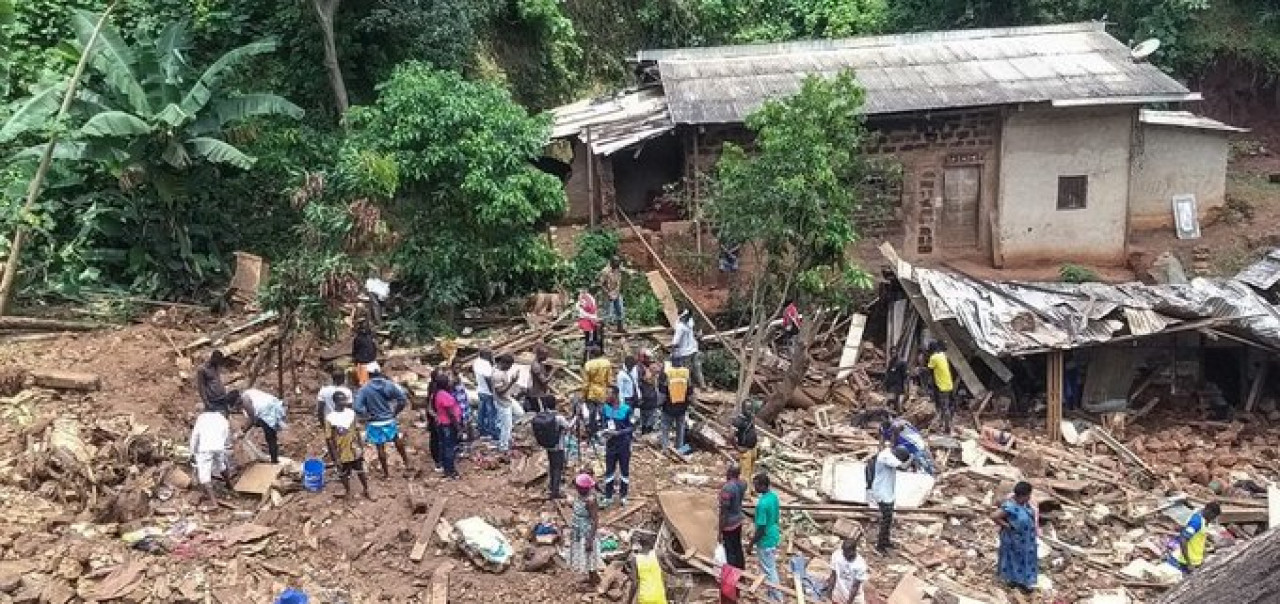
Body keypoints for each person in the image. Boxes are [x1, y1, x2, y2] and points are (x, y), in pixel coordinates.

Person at [354, 363, 412, 477]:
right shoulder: (389, 385)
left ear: (369, 374)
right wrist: (395, 412)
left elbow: (357, 407)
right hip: (388, 419)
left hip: (375, 422)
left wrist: (366, 415)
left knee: (380, 446)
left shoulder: (365, 389)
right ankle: (407, 462)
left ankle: (386, 474)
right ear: (379, 372)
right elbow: (402, 399)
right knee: (396, 439)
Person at [993, 481, 1038, 592]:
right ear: (1023, 495)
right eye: (1028, 495)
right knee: (1014, 560)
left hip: (1026, 539)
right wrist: (1007, 526)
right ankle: (1015, 582)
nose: (1029, 497)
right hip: (1014, 539)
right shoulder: (1010, 506)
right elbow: (994, 516)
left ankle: (1023, 582)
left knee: (1026, 560)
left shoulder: (1025, 504)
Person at [325, 390, 370, 499]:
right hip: (341, 450)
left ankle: (366, 489)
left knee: (360, 470)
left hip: (354, 448)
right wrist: (334, 456)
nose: (345, 401)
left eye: (345, 399)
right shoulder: (330, 418)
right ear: (335, 401)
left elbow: (357, 430)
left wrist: (361, 446)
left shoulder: (351, 413)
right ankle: (348, 491)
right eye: (342, 399)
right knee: (343, 472)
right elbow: (329, 439)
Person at [747, 473, 782, 602]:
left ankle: (777, 598)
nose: (754, 488)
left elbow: (761, 528)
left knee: (769, 570)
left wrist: (751, 544)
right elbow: (775, 517)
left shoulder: (762, 504)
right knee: (770, 567)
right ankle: (772, 595)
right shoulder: (773, 497)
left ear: (762, 485)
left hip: (765, 540)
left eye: (756, 485)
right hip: (773, 535)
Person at [189, 403, 233, 506]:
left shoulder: (201, 418)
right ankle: (229, 485)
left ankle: (214, 502)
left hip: (205, 448)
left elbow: (195, 436)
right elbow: (226, 434)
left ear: (199, 411)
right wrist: (224, 445)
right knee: (221, 465)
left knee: (204, 476)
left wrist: (192, 452)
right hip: (218, 446)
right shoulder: (221, 418)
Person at [870, 445, 911, 554]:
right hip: (882, 492)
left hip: (887, 491)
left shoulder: (889, 452)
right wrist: (912, 457)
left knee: (889, 518)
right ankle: (880, 545)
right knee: (886, 519)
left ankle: (885, 540)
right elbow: (904, 467)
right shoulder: (886, 457)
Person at [532, 396, 575, 499]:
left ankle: (552, 486)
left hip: (548, 446)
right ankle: (555, 491)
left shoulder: (542, 416)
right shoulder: (558, 417)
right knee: (558, 468)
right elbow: (568, 427)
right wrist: (575, 418)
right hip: (558, 446)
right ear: (555, 404)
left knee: (552, 466)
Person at [600, 386, 635, 507]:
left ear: (615, 395)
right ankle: (608, 496)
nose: (606, 396)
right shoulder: (605, 408)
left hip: (624, 445)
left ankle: (623, 495)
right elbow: (603, 423)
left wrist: (619, 433)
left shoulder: (626, 409)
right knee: (609, 470)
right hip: (610, 444)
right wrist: (604, 431)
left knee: (624, 470)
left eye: (609, 394)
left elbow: (631, 427)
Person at [569, 472, 603, 589]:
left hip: (587, 533)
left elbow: (595, 520)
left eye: (579, 487)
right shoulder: (580, 496)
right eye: (577, 487)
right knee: (585, 556)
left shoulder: (590, 500)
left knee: (589, 557)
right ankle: (591, 577)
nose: (577, 489)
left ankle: (594, 582)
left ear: (585, 489)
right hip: (578, 531)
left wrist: (590, 540)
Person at [1170, 501, 1221, 575]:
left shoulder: (1204, 522)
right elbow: (1183, 540)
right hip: (1185, 563)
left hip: (1196, 561)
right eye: (1213, 517)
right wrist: (1188, 563)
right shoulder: (1196, 522)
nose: (1213, 520)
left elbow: (1197, 538)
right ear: (1208, 511)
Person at [238, 388, 286, 464]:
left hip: (268, 411)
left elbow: (252, 419)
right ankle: (274, 457)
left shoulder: (245, 402)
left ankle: (274, 461)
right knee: (269, 435)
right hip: (269, 405)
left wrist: (243, 431)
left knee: (270, 437)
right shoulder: (246, 394)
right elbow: (252, 418)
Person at [718, 464, 749, 571]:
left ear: (730, 473)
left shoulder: (727, 489)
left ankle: (732, 575)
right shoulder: (743, 484)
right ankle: (741, 570)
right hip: (738, 520)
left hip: (729, 524)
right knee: (738, 546)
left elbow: (724, 511)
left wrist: (720, 529)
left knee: (730, 550)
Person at [659, 356, 693, 454]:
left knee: (665, 427)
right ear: (681, 362)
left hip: (669, 406)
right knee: (680, 428)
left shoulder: (667, 373)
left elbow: (663, 392)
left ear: (672, 363)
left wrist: (659, 404)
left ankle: (665, 449)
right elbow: (690, 390)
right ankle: (679, 449)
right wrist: (690, 403)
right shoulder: (686, 373)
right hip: (682, 406)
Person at [432, 372, 463, 479]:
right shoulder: (445, 396)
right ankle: (451, 471)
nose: (450, 382)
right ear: (445, 384)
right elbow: (451, 414)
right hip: (448, 425)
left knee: (445, 447)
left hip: (442, 423)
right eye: (448, 381)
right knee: (449, 448)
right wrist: (458, 428)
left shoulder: (438, 393)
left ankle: (447, 469)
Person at [626, 530, 668, 604]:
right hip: (659, 595)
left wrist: (629, 601)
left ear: (640, 544)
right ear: (651, 543)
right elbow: (672, 570)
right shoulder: (658, 554)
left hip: (644, 597)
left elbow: (634, 583)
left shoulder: (635, 559)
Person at [826, 536, 870, 604]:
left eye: (847, 552)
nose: (845, 554)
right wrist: (828, 595)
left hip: (854, 598)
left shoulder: (860, 564)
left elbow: (855, 587)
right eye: (844, 552)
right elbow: (833, 575)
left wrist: (849, 602)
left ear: (854, 550)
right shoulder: (837, 555)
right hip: (839, 593)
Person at [491, 354, 521, 454]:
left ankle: (506, 434)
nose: (510, 368)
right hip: (502, 403)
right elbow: (500, 391)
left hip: (507, 399)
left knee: (520, 414)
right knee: (506, 426)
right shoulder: (497, 375)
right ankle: (503, 446)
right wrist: (512, 382)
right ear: (504, 363)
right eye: (509, 365)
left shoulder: (501, 371)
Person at [583, 346, 613, 440]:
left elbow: (586, 382)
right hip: (602, 390)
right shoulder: (606, 363)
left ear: (592, 354)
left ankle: (593, 432)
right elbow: (609, 380)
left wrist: (584, 394)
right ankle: (604, 431)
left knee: (592, 412)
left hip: (591, 391)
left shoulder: (588, 365)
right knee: (602, 411)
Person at [926, 342, 955, 433]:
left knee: (944, 407)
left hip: (942, 386)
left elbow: (929, 370)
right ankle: (942, 424)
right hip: (949, 384)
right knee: (946, 406)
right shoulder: (943, 355)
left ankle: (947, 427)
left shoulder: (933, 358)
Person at [671, 309, 704, 388]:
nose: (688, 317)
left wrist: (672, 353)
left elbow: (675, 342)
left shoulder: (683, 325)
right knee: (694, 369)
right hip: (690, 350)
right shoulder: (682, 325)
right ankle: (698, 386)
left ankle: (692, 387)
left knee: (688, 370)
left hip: (687, 351)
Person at [473, 349, 498, 440]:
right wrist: (493, 392)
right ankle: (493, 432)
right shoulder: (486, 364)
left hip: (480, 390)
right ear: (487, 355)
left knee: (481, 411)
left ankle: (481, 429)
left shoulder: (477, 362)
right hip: (487, 392)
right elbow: (488, 378)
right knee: (491, 413)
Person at [636, 350, 661, 434]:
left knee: (648, 416)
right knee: (647, 416)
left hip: (649, 396)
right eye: (647, 358)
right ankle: (646, 432)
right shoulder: (640, 368)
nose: (649, 360)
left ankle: (646, 432)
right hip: (646, 396)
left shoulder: (646, 367)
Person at [527, 344, 555, 414]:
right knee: (541, 414)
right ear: (540, 355)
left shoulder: (541, 364)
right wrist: (553, 372)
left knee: (545, 413)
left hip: (542, 394)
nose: (547, 357)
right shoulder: (536, 366)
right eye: (546, 355)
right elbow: (544, 381)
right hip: (537, 395)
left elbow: (544, 377)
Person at [599, 257, 625, 333]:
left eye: (618, 265)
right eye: (616, 264)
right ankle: (603, 330)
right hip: (608, 294)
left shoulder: (618, 269)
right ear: (611, 264)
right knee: (608, 313)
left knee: (620, 310)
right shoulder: (605, 271)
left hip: (616, 293)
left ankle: (620, 328)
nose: (617, 267)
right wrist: (608, 293)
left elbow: (619, 281)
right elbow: (601, 284)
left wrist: (616, 292)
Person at [732, 411, 759, 481]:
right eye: (748, 408)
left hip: (753, 448)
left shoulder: (750, 418)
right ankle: (746, 490)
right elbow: (731, 436)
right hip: (745, 449)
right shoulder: (738, 421)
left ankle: (751, 488)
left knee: (751, 472)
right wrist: (737, 448)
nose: (750, 411)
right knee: (745, 474)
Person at [577, 289, 602, 363]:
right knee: (590, 338)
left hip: (590, 319)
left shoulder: (589, 298)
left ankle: (591, 354)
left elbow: (589, 308)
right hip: (588, 319)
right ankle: (589, 355)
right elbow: (585, 309)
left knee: (590, 338)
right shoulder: (587, 298)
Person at [352, 322, 378, 386]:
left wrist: (354, 358)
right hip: (372, 359)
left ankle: (361, 381)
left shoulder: (357, 339)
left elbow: (355, 350)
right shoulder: (370, 338)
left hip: (363, 361)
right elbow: (374, 348)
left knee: (362, 382)